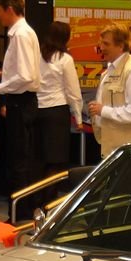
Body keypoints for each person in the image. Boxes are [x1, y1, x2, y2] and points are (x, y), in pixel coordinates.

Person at [0, 0, 41, 217]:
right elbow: (24, 71)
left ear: (10, 9)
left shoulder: (21, 35)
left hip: (21, 102)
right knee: (21, 159)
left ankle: (20, 214)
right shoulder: (24, 32)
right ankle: (23, 211)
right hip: (24, 101)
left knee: (19, 162)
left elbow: (25, 76)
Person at [89, 22, 131, 156]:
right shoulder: (109, 71)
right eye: (101, 43)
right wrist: (97, 110)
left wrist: (103, 110)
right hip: (111, 147)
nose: (101, 47)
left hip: (128, 152)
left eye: (106, 44)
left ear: (121, 46)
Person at [37, 21, 83, 180]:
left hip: (36, 110)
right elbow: (72, 91)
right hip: (57, 112)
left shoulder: (36, 55)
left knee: (39, 160)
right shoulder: (65, 59)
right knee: (56, 161)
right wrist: (78, 117)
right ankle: (50, 195)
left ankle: (37, 194)